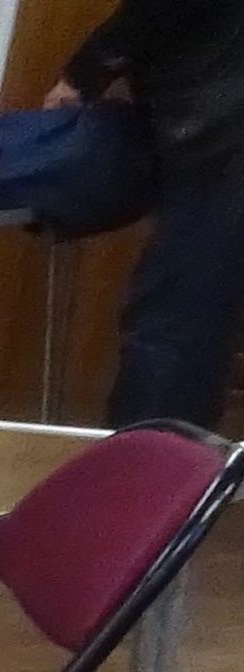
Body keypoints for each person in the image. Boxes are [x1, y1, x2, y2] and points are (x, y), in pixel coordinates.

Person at [70, 0, 244, 424]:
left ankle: (150, 455)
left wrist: (84, 72)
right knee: (203, 313)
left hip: (219, 137)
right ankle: (184, 453)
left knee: (180, 312)